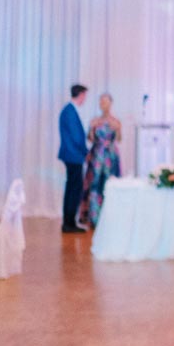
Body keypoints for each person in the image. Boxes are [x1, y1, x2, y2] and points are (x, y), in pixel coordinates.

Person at [79, 92, 122, 228]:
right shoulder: (95, 121)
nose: (103, 104)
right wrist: (91, 130)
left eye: (105, 101)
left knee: (109, 184)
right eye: (101, 101)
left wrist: (118, 129)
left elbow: (119, 139)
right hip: (97, 155)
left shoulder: (116, 121)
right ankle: (94, 217)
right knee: (94, 184)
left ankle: (110, 217)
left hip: (110, 156)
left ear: (110, 103)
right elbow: (90, 139)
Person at [58, 84, 88, 234]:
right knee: (74, 189)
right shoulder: (70, 111)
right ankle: (69, 222)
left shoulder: (68, 110)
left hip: (72, 155)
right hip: (73, 155)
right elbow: (76, 137)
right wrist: (85, 152)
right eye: (85, 96)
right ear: (80, 94)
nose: (85, 99)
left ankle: (69, 221)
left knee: (72, 188)